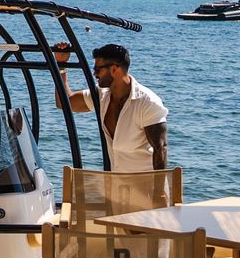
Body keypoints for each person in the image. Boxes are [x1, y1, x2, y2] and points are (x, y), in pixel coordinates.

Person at [53, 42, 169, 173]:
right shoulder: (101, 95)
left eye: (98, 69)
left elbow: (160, 148)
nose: (94, 74)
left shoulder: (148, 102)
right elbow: (64, 103)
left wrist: (159, 192)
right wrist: (61, 65)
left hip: (146, 188)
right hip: (115, 186)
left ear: (114, 69)